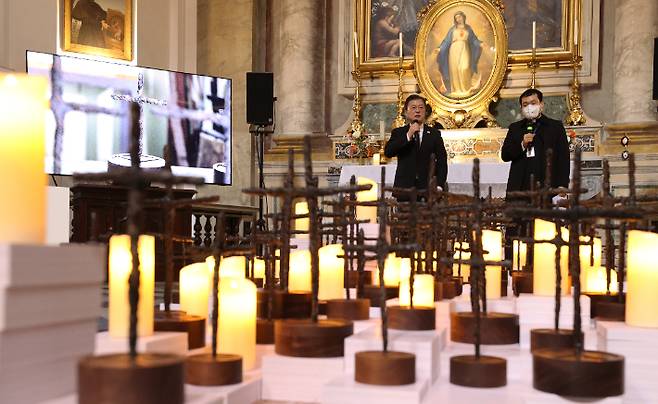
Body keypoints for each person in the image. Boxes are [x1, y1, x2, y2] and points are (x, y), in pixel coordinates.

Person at [501, 88, 570, 196]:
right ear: (521, 108)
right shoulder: (515, 128)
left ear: (541, 105)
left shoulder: (555, 127)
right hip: (519, 186)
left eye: (533, 103)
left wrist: (562, 184)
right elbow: (505, 155)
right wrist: (522, 145)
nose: (529, 107)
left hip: (547, 186)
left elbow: (563, 157)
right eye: (525, 104)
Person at [384, 94, 448, 200]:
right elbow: (388, 152)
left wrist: (439, 186)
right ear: (406, 112)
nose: (417, 111)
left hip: (428, 190)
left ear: (426, 112)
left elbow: (442, 161)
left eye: (421, 107)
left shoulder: (434, 134)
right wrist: (409, 134)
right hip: (404, 189)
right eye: (413, 107)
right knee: (403, 217)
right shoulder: (399, 132)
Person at [434, 11, 484, 98]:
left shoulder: (468, 28)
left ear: (463, 17)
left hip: (464, 49)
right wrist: (440, 48)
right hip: (453, 50)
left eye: (459, 17)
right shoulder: (452, 29)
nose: (458, 19)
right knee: (455, 69)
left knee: (464, 68)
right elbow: (446, 41)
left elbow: (473, 39)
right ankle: (456, 90)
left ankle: (466, 89)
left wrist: (479, 44)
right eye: (456, 18)